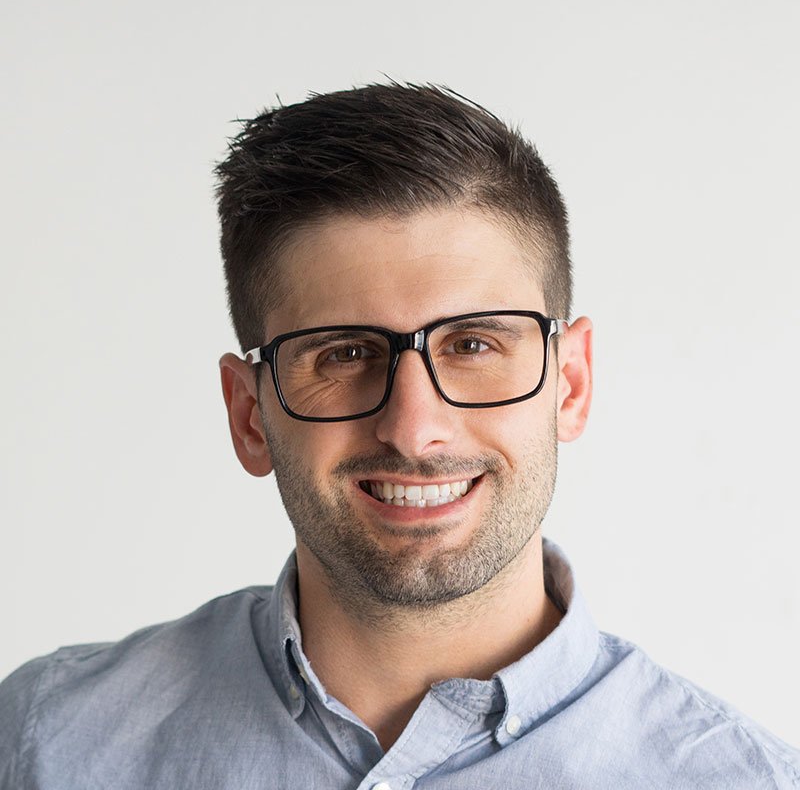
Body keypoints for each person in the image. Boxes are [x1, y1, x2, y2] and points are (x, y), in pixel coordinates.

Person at [1, 83, 798, 790]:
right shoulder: (43, 745)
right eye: (344, 355)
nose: (414, 429)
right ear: (249, 414)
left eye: (474, 344)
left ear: (572, 383)